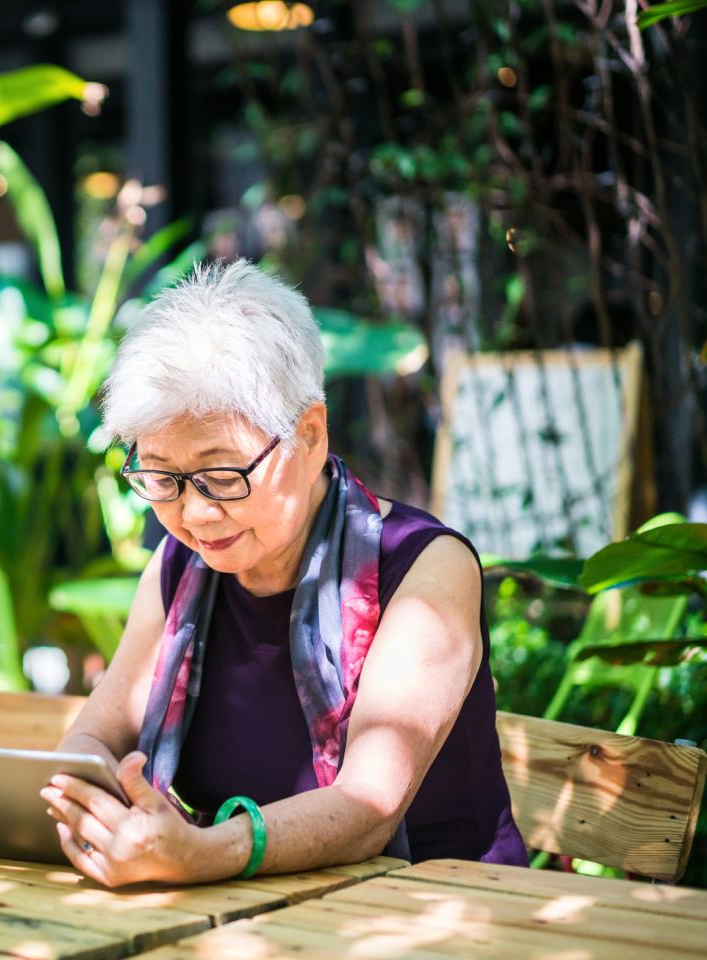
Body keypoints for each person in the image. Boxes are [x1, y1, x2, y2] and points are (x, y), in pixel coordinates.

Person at [45, 260, 528, 887]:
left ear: (310, 436)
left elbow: (368, 807)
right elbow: (95, 736)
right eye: (161, 477)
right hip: (249, 913)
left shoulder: (422, 570)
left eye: (222, 476)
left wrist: (202, 852)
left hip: (441, 911)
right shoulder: (177, 569)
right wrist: (79, 798)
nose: (193, 512)